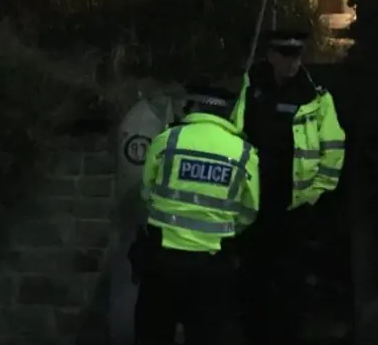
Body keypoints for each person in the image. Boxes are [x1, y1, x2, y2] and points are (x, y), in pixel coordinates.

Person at [231, 29, 346, 345]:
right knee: (251, 279)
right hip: (253, 203)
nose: (293, 63)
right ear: (270, 56)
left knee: (290, 284)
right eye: (286, 55)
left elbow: (333, 147)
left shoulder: (316, 96)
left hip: (294, 206)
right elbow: (234, 133)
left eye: (297, 55)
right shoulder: (250, 88)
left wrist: (315, 193)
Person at [130, 82, 260, 345]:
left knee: (153, 334)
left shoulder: (168, 140)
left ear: (193, 106)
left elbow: (146, 192)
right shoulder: (245, 153)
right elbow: (249, 211)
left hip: (161, 261)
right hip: (212, 267)